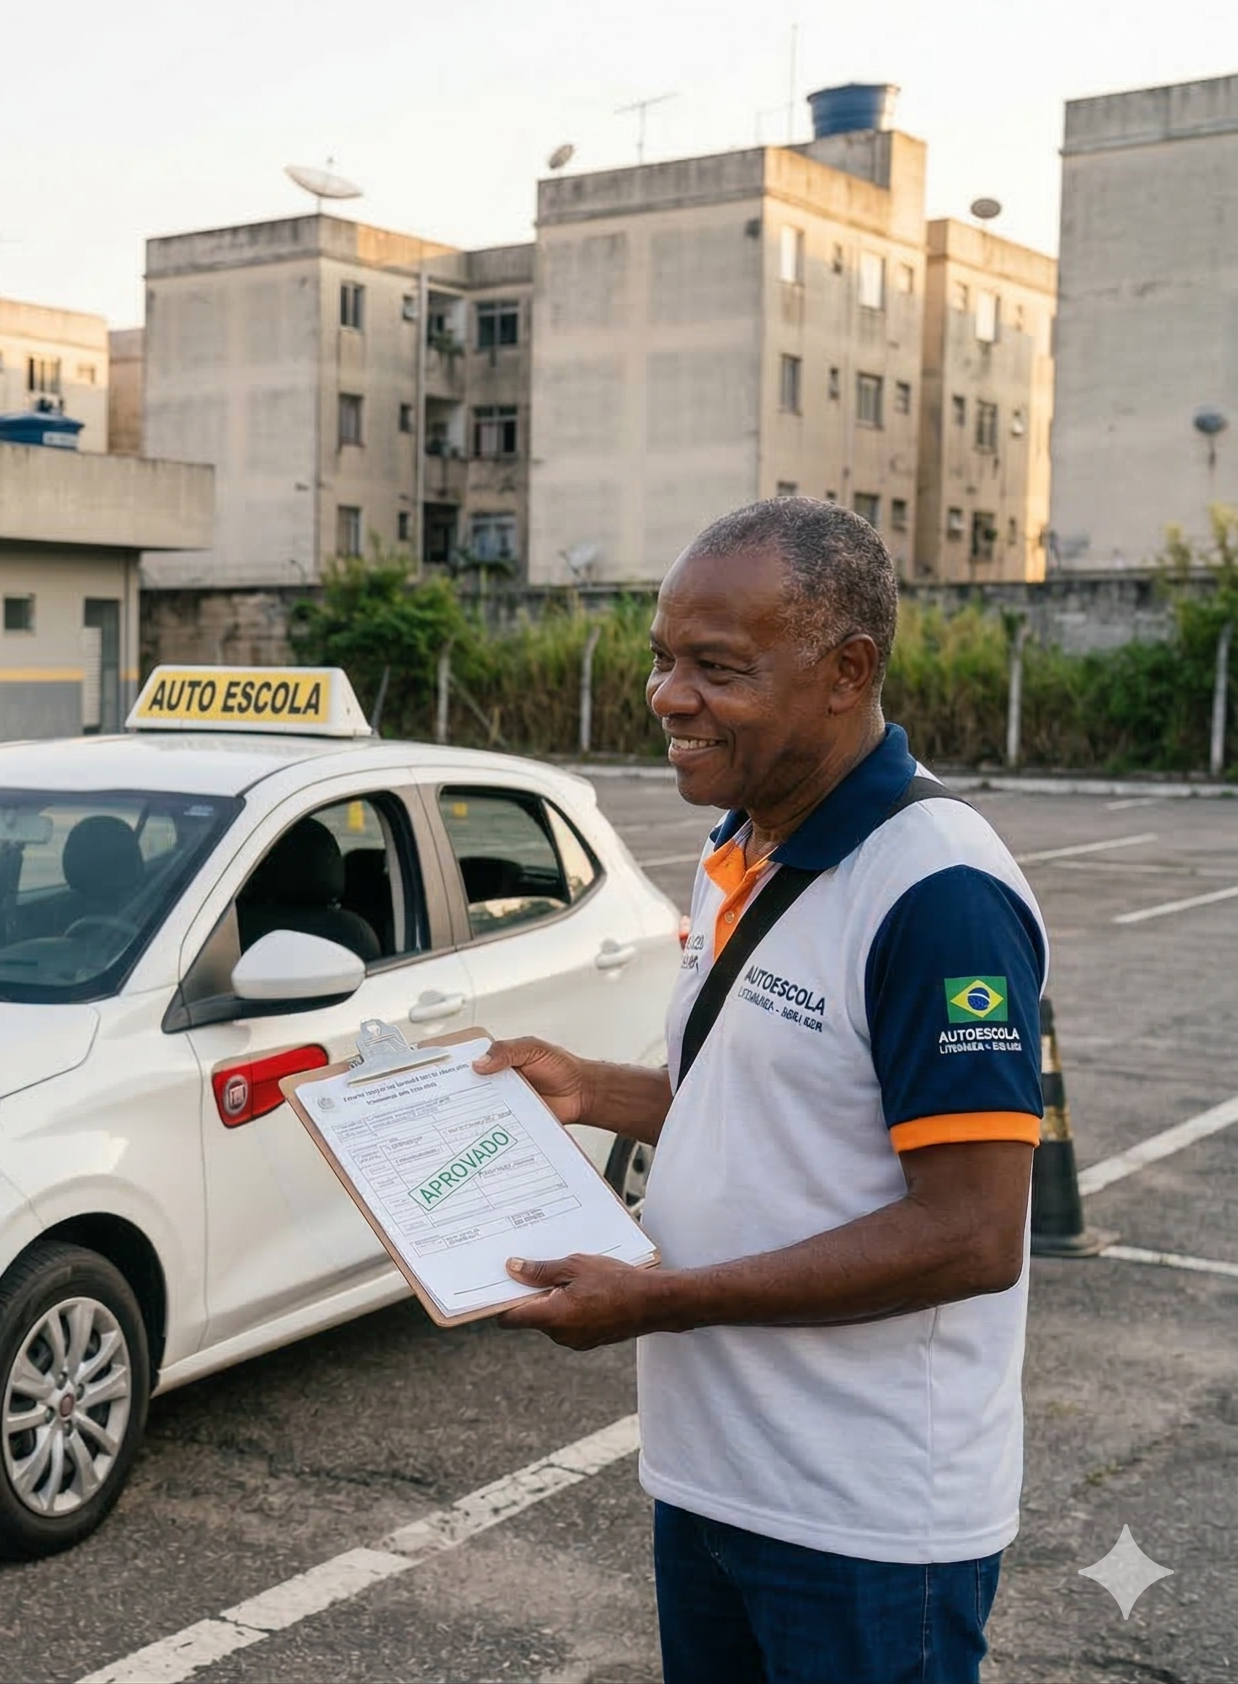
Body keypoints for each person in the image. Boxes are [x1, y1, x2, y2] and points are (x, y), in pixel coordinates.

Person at [476, 498, 1045, 1684]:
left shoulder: (935, 890)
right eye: (660, 661)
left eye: (715, 668)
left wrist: (661, 1298)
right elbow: (768, 1112)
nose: (667, 697)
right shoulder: (740, 838)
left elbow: (970, 1233)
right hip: (711, 1476)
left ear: (847, 671)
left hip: (863, 1523)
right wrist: (592, 1090)